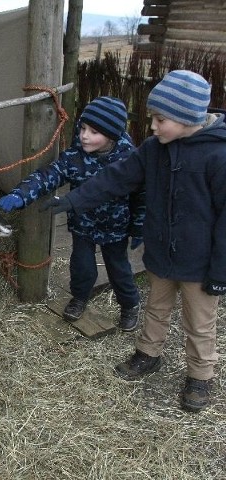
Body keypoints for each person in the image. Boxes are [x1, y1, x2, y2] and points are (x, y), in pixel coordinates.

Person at [43, 70, 226, 412]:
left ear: (187, 118)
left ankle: (200, 376)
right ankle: (148, 354)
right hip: (160, 253)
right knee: (156, 307)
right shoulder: (154, 149)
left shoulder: (219, 156)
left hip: (199, 262)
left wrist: (220, 271)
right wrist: (73, 200)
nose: (153, 127)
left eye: (160, 119)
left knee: (199, 322)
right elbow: (116, 177)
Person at [0, 96, 144, 331]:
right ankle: (79, 298)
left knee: (119, 269)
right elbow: (47, 176)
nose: (84, 135)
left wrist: (139, 226)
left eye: (94, 131)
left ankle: (129, 305)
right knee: (81, 267)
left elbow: (141, 197)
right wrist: (21, 194)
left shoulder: (130, 161)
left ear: (112, 135)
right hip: (83, 224)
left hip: (114, 227)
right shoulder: (74, 157)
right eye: (83, 128)